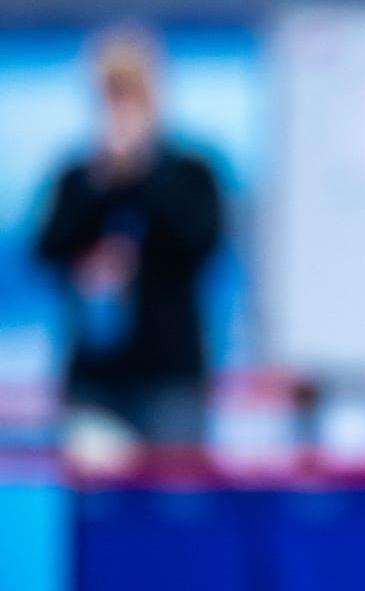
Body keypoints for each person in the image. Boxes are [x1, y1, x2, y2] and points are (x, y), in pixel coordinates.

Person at [34, 28, 223, 446]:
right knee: (98, 505)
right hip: (96, 379)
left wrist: (144, 174)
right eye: (110, 93)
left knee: (174, 504)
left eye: (131, 92)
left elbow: (201, 245)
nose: (119, 106)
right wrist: (101, 185)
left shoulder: (191, 174)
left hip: (170, 378)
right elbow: (46, 252)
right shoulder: (79, 178)